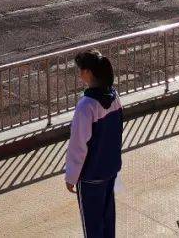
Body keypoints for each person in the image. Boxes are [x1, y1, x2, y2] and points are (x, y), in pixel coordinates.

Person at [65, 50, 122, 238]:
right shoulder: (114, 97)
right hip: (110, 169)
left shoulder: (86, 106)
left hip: (91, 175)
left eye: (81, 70)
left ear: (89, 73)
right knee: (108, 217)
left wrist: (71, 176)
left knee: (92, 224)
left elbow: (78, 145)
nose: (79, 73)